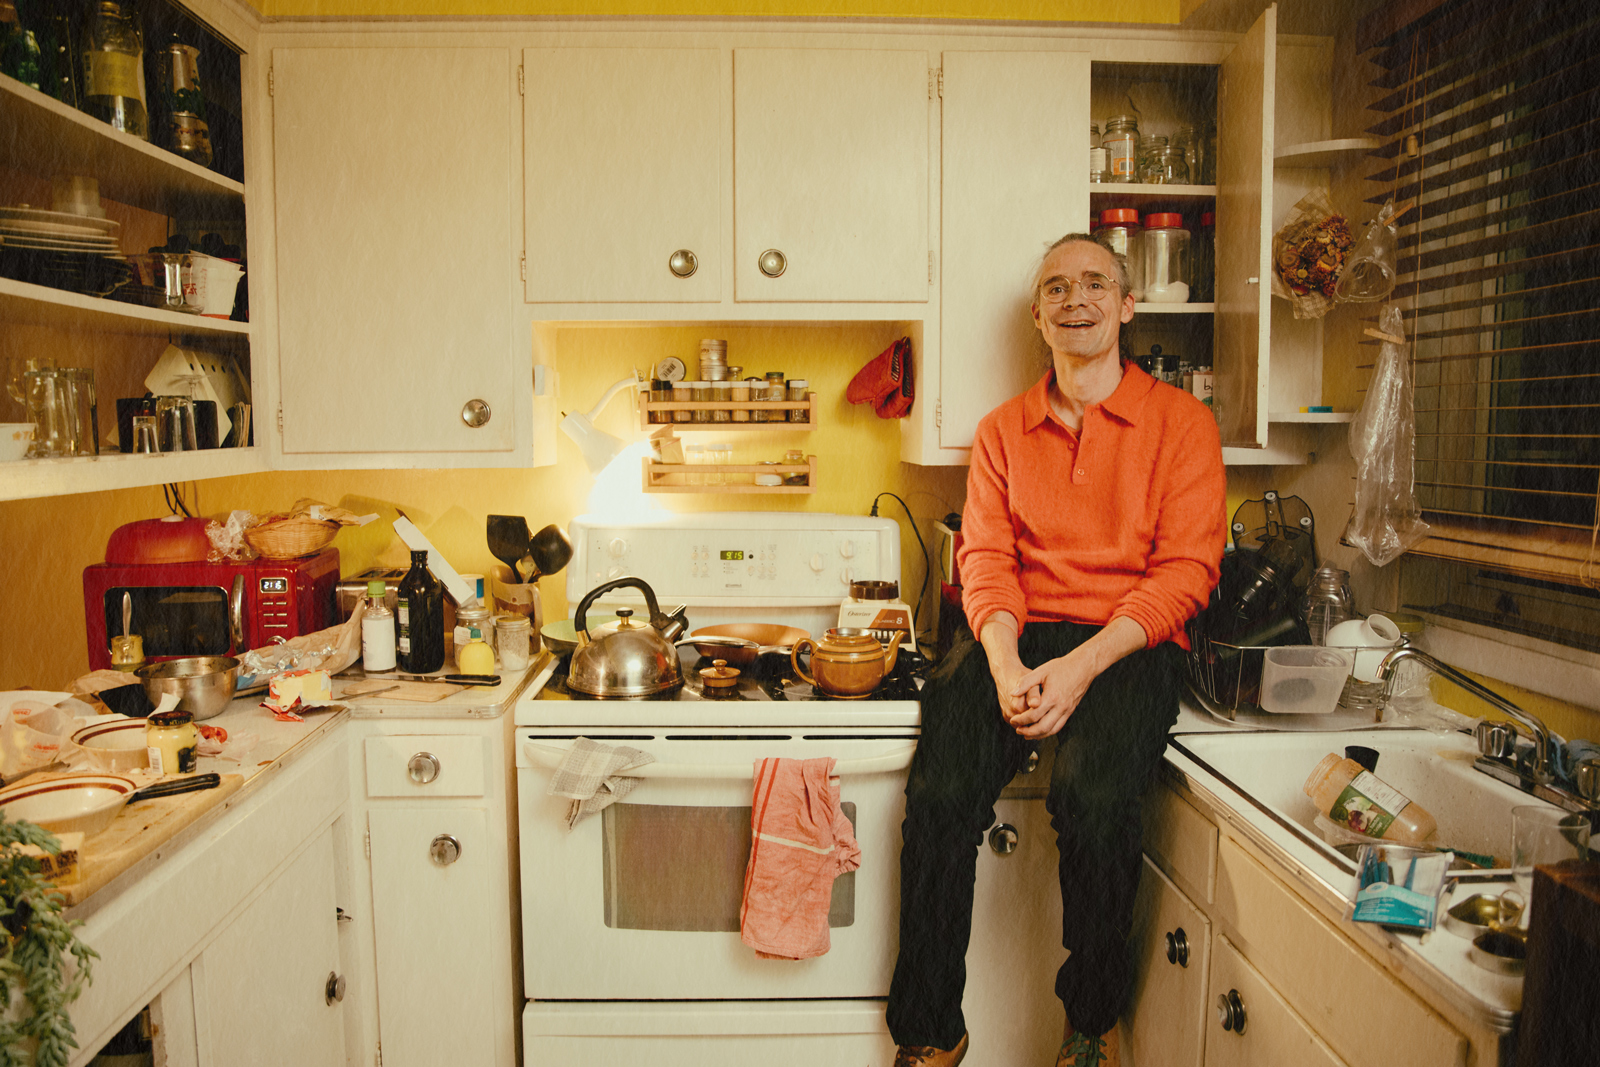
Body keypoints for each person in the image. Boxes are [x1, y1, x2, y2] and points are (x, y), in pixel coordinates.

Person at [887, 234, 1226, 1067]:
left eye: (1094, 284)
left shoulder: (1182, 424)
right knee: (940, 795)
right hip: (1015, 632)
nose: (1076, 300)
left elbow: (1186, 570)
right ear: (1039, 316)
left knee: (1096, 800)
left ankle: (1089, 1025)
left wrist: (1081, 667)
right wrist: (1004, 663)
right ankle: (932, 1030)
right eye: (1057, 289)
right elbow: (985, 560)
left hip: (1128, 640)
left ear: (1127, 305)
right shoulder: (1004, 430)